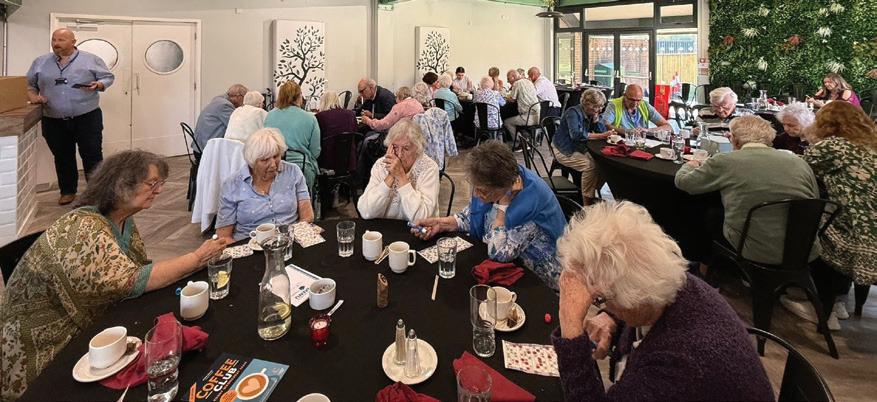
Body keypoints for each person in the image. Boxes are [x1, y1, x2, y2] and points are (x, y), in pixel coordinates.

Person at [0, 151, 226, 400]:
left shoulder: (122, 220)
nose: (159, 190)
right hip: (45, 349)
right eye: (152, 183)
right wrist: (197, 257)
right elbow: (135, 280)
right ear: (121, 186)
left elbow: (138, 270)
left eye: (160, 183)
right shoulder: (84, 229)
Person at [552, 201, 773, 401]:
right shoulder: (675, 283)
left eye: (600, 299)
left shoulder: (678, 368)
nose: (602, 304)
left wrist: (570, 326)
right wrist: (612, 317)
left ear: (632, 301)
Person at [412, 141, 566, 289]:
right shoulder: (500, 182)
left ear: (503, 187)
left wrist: (502, 208)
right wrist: (441, 224)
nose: (476, 195)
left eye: (482, 191)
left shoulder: (530, 201)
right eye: (475, 188)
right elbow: (469, 217)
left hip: (542, 279)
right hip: (514, 268)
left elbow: (498, 253)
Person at [675, 115, 820, 269]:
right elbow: (815, 200)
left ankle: (706, 268)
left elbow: (684, 182)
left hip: (753, 248)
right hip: (804, 249)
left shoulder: (725, 160)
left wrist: (691, 164)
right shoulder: (800, 162)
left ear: (735, 140)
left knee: (707, 213)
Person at [782, 101, 877, 325]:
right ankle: (840, 299)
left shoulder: (833, 146)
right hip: (872, 223)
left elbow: (799, 170)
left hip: (858, 231)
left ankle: (821, 306)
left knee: (807, 224)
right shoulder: (871, 144)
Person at [26, 28, 115, 205]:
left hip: (87, 118)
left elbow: (108, 77)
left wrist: (98, 85)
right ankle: (67, 191)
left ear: (73, 42)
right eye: (54, 39)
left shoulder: (91, 59)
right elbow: (30, 85)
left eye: (61, 40)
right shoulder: (40, 62)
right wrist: (34, 97)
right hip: (53, 119)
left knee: (92, 156)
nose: (56, 43)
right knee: (62, 156)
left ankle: (96, 194)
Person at [216, 128, 314, 242]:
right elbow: (224, 236)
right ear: (252, 161)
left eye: (276, 156)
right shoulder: (232, 185)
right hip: (250, 244)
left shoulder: (293, 172)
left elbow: (307, 216)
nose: (273, 164)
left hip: (290, 241)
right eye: (265, 160)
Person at [357, 119, 439, 221]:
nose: (399, 155)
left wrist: (401, 177)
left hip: (416, 229)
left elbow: (422, 218)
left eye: (406, 148)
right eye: (395, 147)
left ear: (418, 149)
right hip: (384, 228)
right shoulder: (381, 165)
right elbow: (366, 211)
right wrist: (391, 176)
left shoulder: (429, 168)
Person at [553, 89, 615, 205]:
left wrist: (596, 121)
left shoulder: (591, 114)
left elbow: (600, 131)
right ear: (588, 105)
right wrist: (602, 135)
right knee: (590, 166)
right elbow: (576, 135)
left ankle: (590, 190)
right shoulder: (573, 112)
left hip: (579, 147)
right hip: (564, 149)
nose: (600, 109)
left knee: (603, 164)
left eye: (601, 106)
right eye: (597, 107)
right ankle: (587, 201)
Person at [265, 81, 321, 194]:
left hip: (275, 166)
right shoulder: (310, 118)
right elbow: (315, 151)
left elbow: (266, 144)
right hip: (302, 167)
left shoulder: (269, 115)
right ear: (299, 96)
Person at [193, 84, 248, 150]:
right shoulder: (225, 105)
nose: (244, 102)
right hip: (207, 149)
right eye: (245, 97)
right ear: (238, 96)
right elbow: (236, 127)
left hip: (200, 144)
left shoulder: (219, 99)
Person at [602, 84, 670, 135]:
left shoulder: (645, 105)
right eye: (632, 100)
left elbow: (668, 127)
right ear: (624, 96)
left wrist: (647, 130)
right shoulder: (614, 105)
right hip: (620, 141)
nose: (635, 104)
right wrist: (626, 131)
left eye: (638, 100)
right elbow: (606, 126)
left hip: (641, 142)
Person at [315, 90, 358, 169]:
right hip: (349, 160)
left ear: (323, 102)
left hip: (327, 159)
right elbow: (355, 133)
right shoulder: (351, 114)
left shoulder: (319, 117)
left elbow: (317, 139)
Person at [503, 69, 541, 143]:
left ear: (513, 77)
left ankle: (520, 142)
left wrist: (504, 96)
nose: (508, 81)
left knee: (507, 122)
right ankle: (525, 138)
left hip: (528, 117)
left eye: (508, 78)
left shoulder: (517, 83)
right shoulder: (529, 82)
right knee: (515, 117)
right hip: (538, 116)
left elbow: (512, 99)